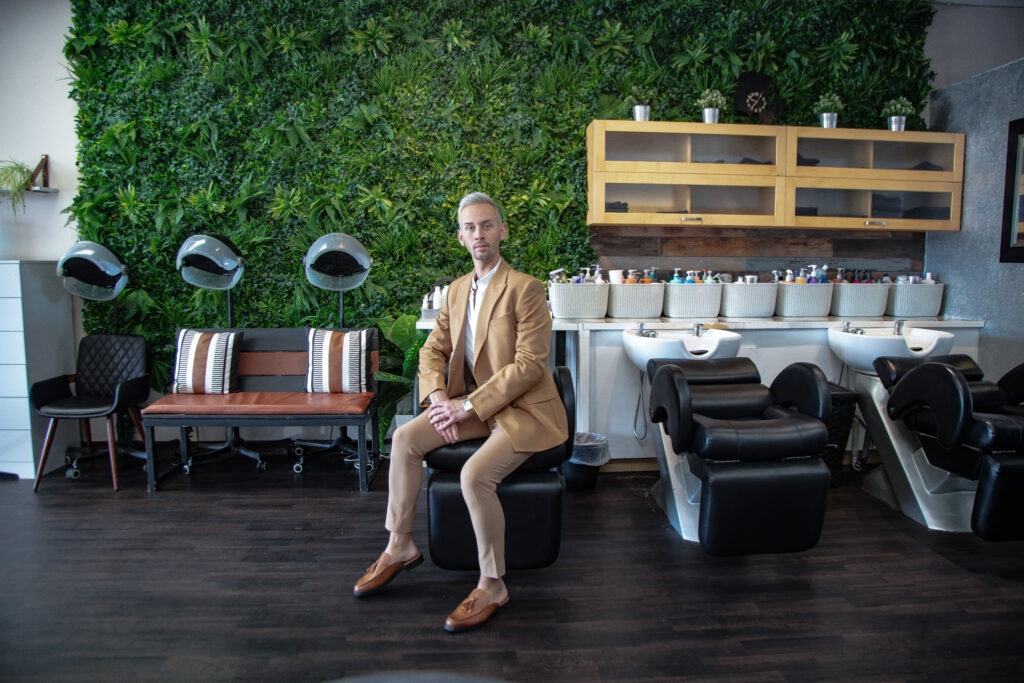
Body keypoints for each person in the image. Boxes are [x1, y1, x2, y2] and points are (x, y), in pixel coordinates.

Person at [353, 191, 568, 632]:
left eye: (487, 225)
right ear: (460, 237)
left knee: (474, 475)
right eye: (470, 227)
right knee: (407, 438)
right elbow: (432, 351)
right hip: (475, 406)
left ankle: (493, 584)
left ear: (502, 231)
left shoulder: (526, 288)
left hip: (525, 409)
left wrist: (465, 405)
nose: (479, 234)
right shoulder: (454, 292)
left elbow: (529, 366)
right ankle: (399, 545)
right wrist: (436, 402)